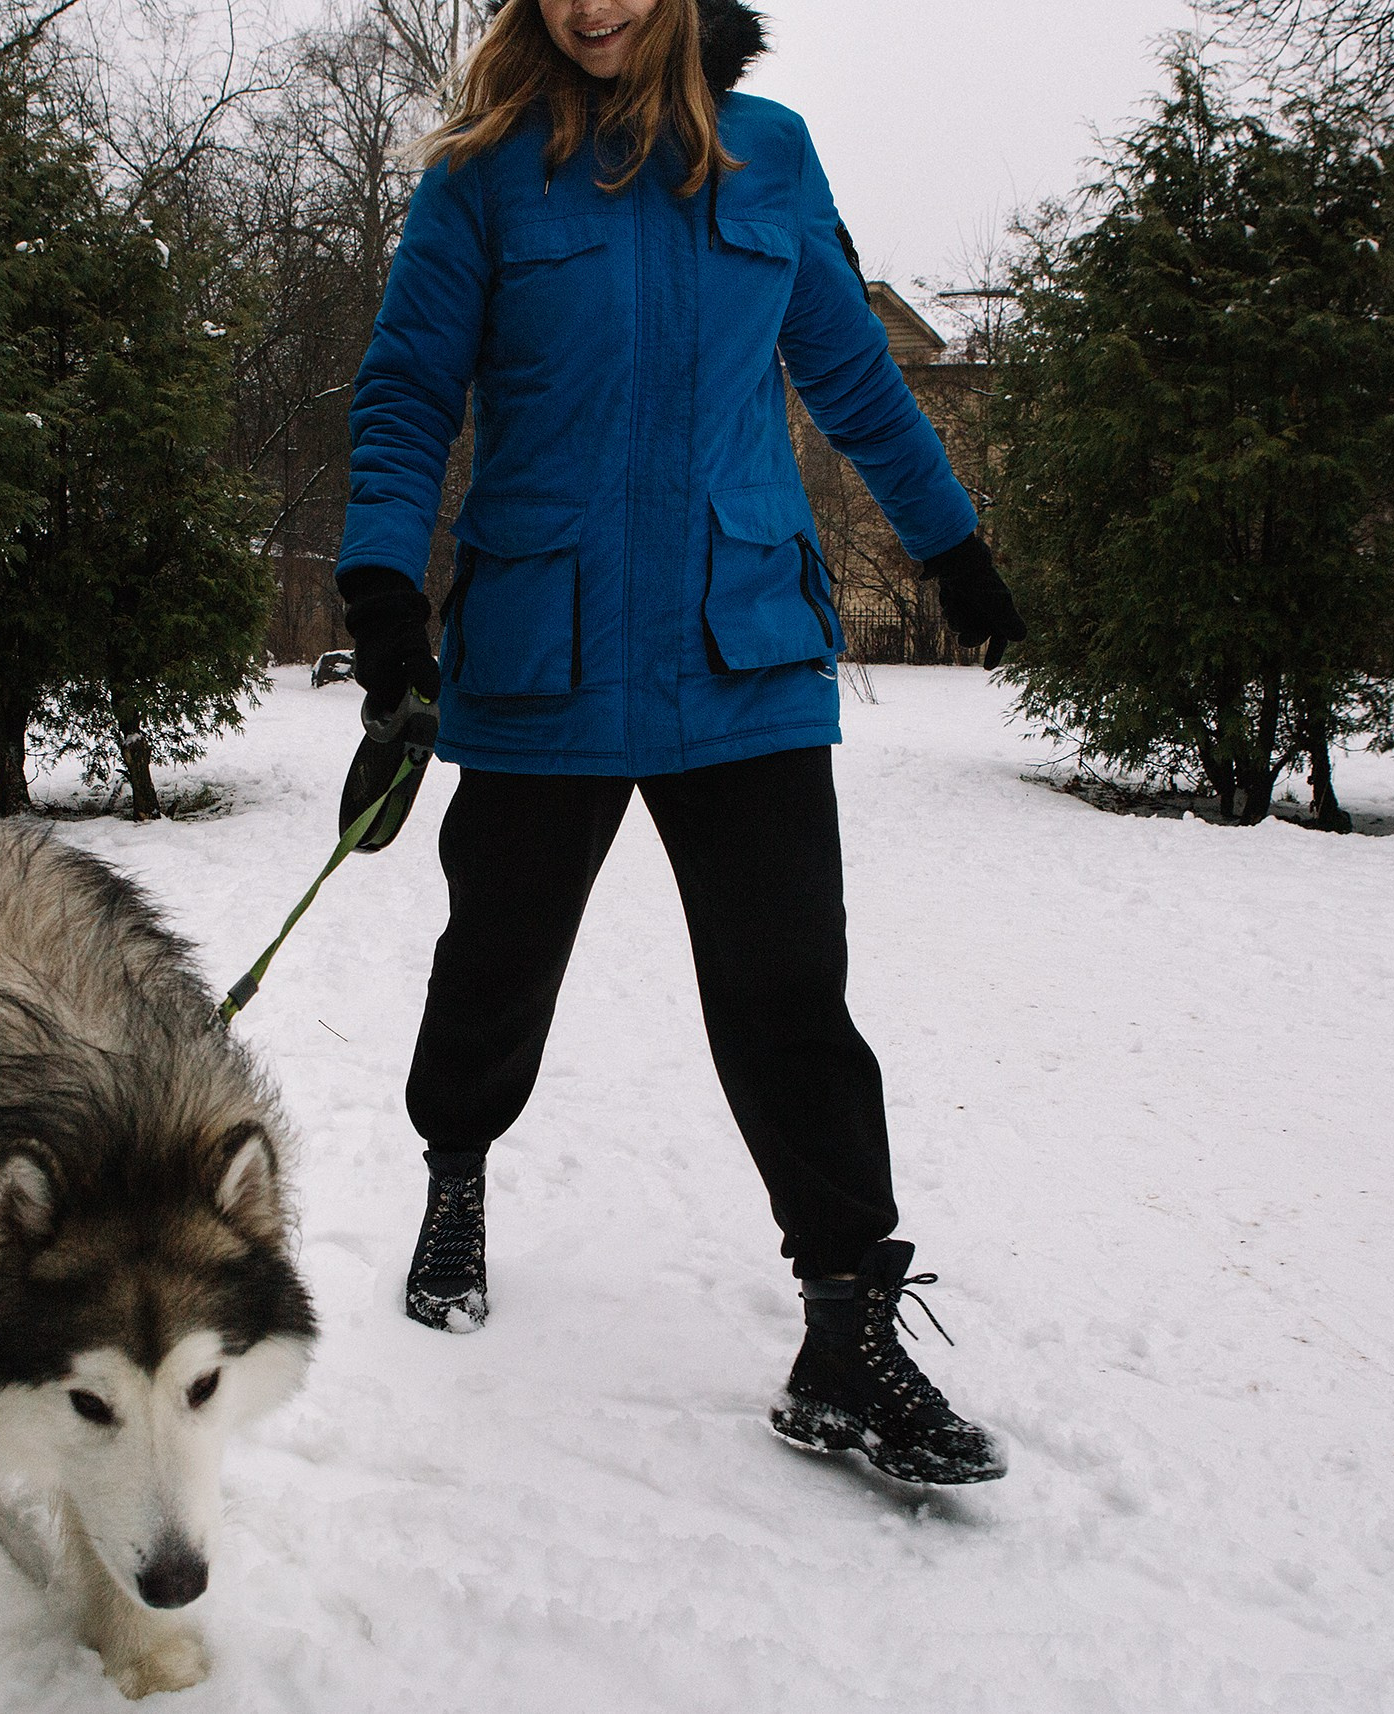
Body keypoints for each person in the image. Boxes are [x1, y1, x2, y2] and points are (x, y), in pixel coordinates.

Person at [334, 0, 1023, 1485]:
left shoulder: (769, 158)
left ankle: (846, 1325)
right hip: (543, 650)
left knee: (793, 994)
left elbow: (852, 374)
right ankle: (457, 1168)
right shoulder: (483, 172)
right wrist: (386, 597)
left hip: (741, 647)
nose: (596, 9)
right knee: (496, 962)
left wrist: (951, 544)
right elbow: (404, 397)